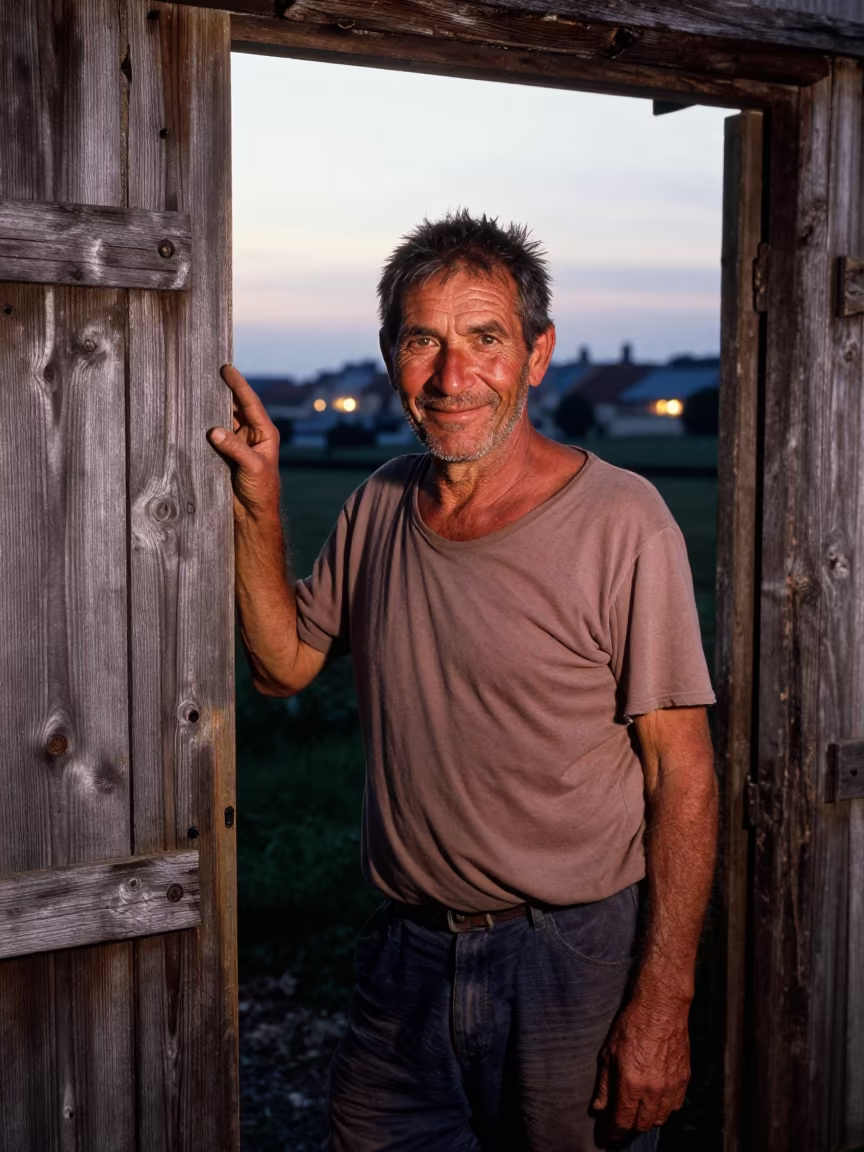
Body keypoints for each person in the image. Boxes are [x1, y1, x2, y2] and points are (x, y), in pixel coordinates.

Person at [208, 210, 718, 1151]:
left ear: (536, 354)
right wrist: (260, 501)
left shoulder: (623, 521)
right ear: (390, 356)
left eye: (485, 339)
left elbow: (682, 777)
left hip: (570, 955)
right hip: (406, 951)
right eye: (423, 342)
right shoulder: (379, 504)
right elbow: (282, 668)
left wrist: (662, 1005)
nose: (452, 377)